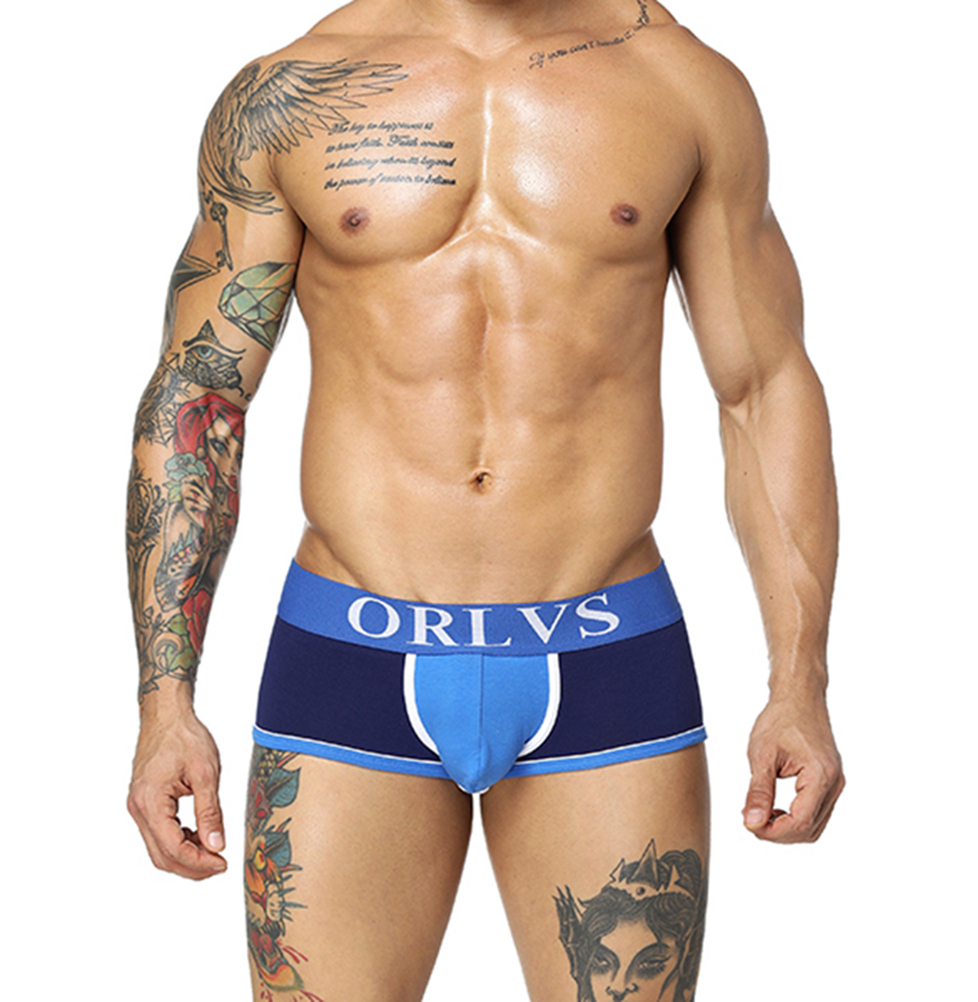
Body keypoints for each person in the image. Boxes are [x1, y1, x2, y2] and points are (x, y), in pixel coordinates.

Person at [126, 1, 844, 999]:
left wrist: (800, 683)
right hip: (349, 655)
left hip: (604, 654)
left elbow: (762, 387)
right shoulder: (287, 95)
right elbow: (200, 394)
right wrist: (165, 702)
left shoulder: (682, 83)